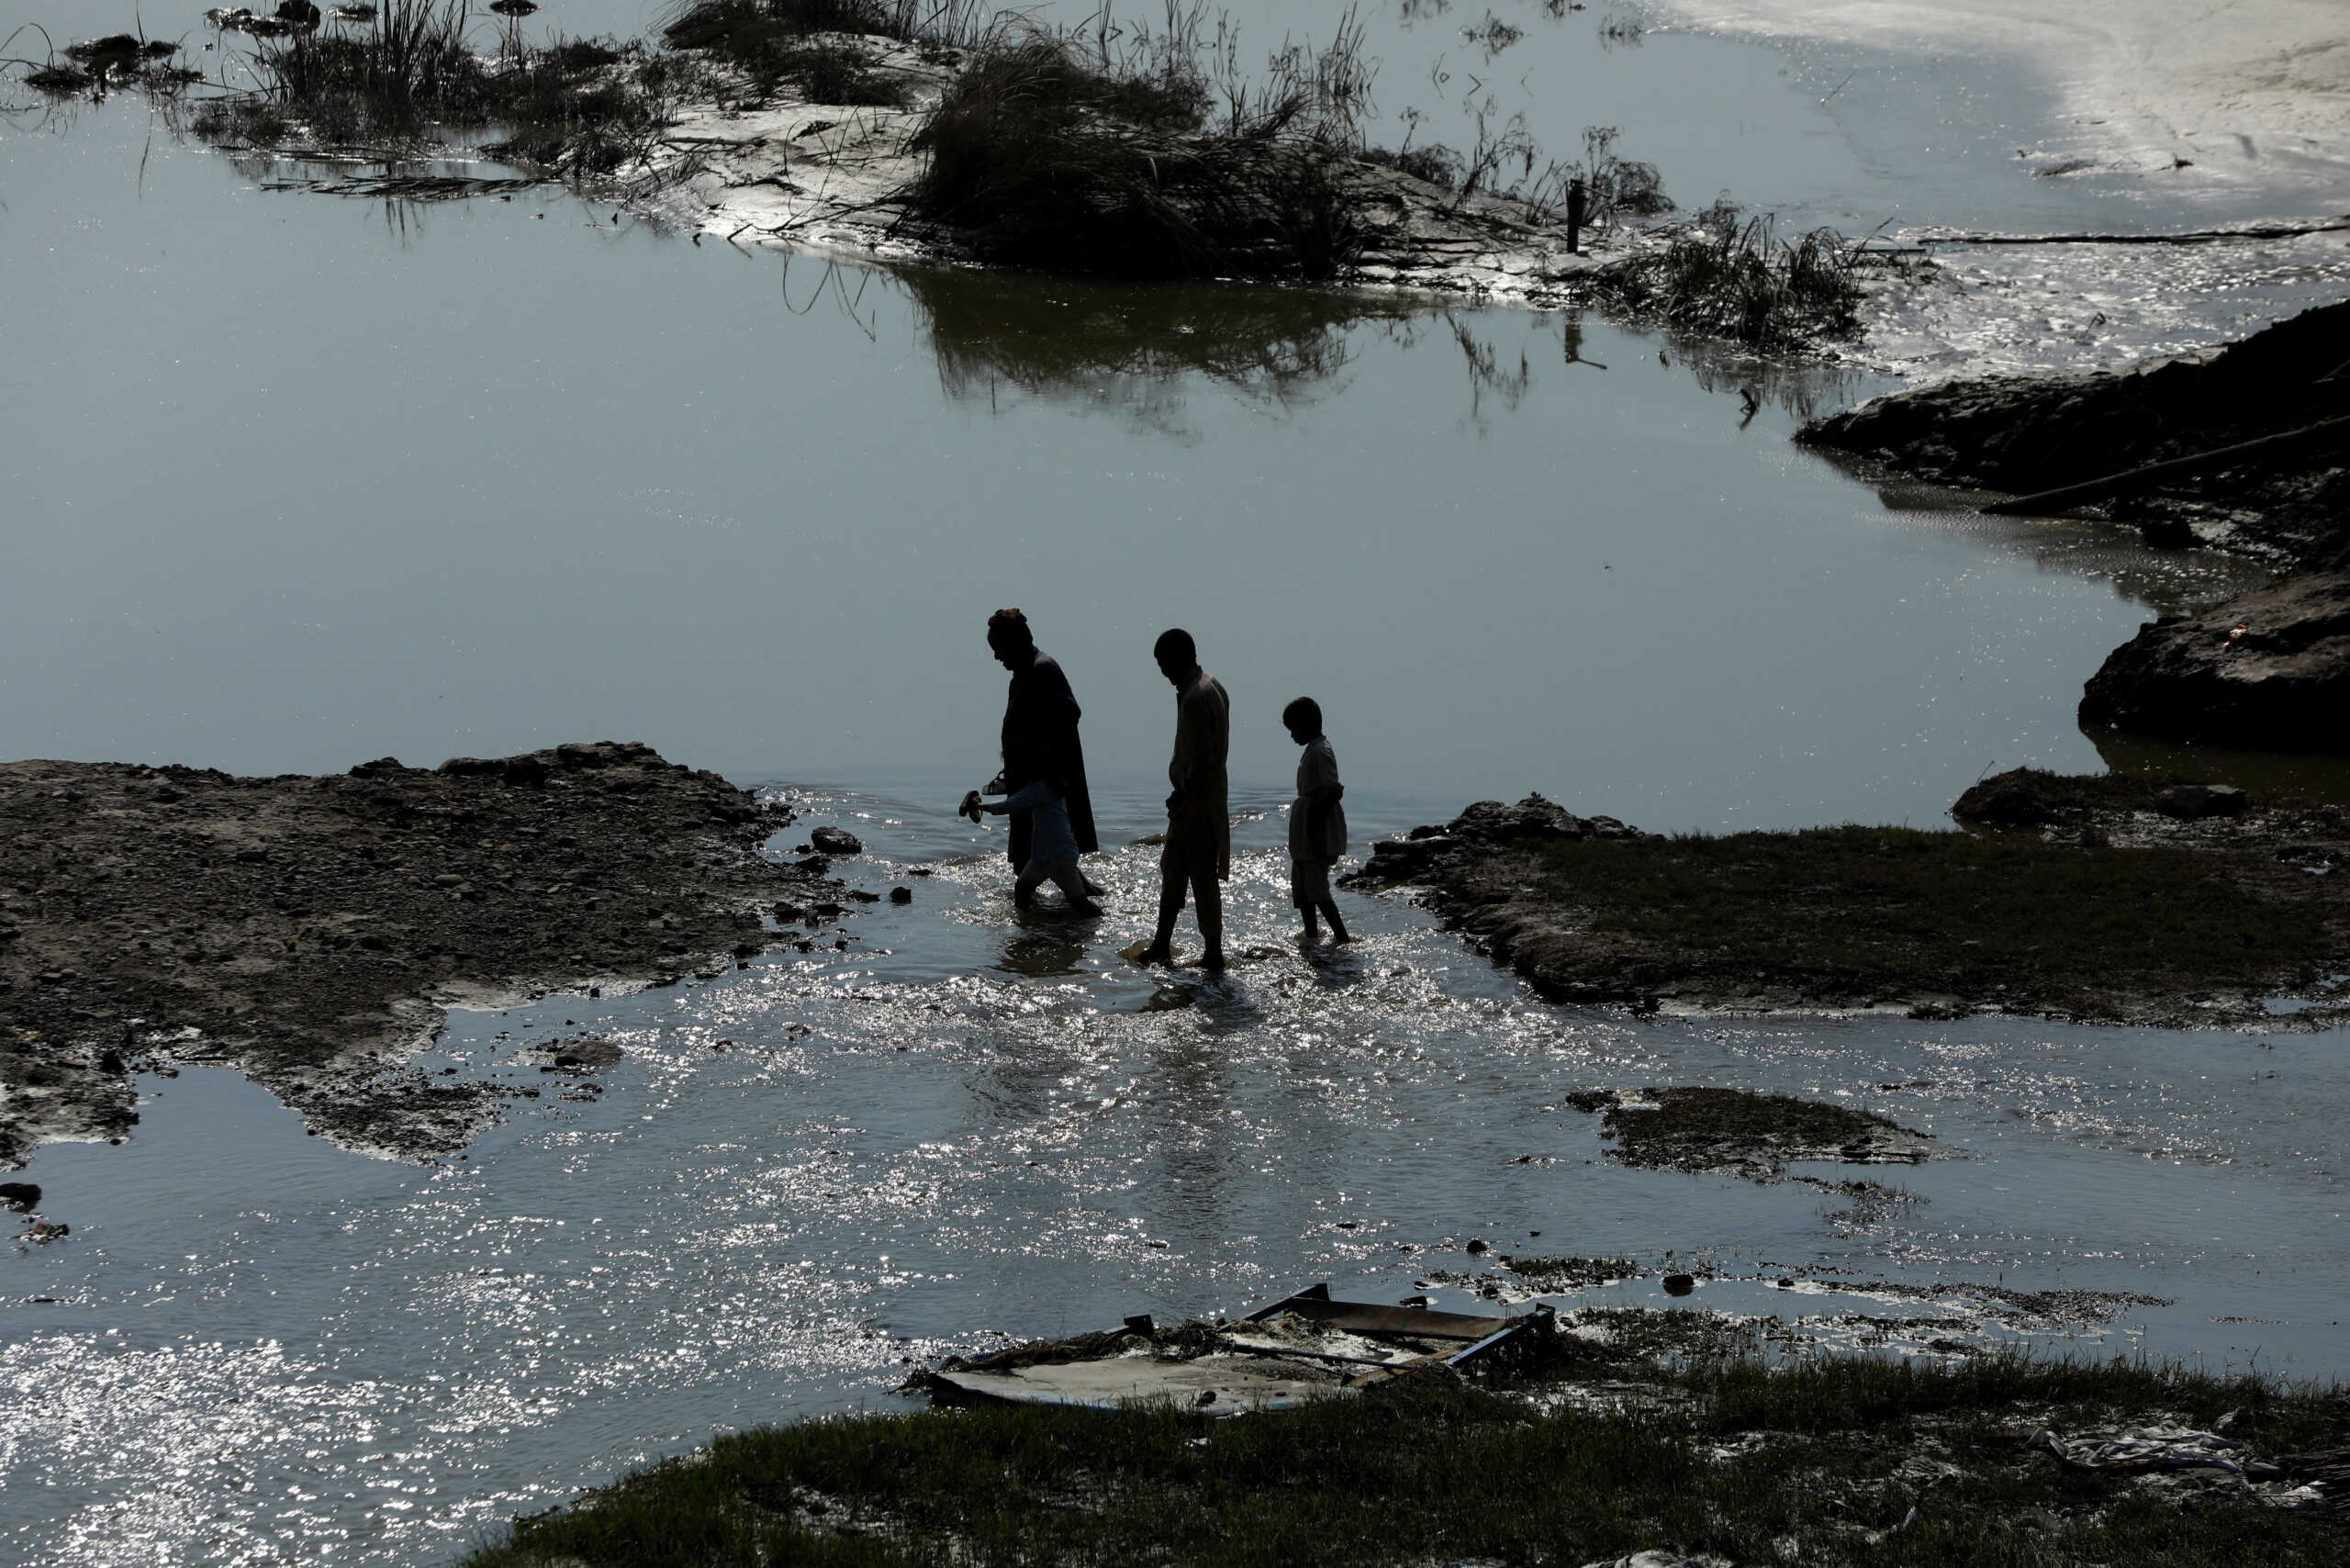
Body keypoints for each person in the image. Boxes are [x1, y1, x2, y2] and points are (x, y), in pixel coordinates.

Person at [1136, 628, 1230, 973]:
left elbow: (1202, 761)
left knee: (1201, 879)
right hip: (1206, 797)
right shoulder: (1212, 685)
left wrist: (1182, 796)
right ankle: (1163, 945)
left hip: (1196, 803)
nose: (1162, 671)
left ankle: (1213, 954)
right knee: (1173, 871)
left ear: (1178, 659)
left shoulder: (1194, 698)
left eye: (1163, 663)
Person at [984, 609, 1099, 880]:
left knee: (1033, 861)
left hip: (1045, 785)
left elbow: (1070, 714)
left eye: (998, 647)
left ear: (1014, 642)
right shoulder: (1023, 675)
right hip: (1028, 782)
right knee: (1052, 859)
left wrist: (1043, 757)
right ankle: (1061, 918)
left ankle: (1037, 920)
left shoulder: (1041, 669)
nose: (996, 656)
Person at [961, 779, 1101, 915]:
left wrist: (978, 806)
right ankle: (1028, 924)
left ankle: (1102, 921)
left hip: (1054, 856)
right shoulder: (1054, 785)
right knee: (1022, 889)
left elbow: (1008, 806)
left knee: (1080, 903)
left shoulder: (1039, 788)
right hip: (1048, 855)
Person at [1282, 697, 1350, 944]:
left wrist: (1314, 830)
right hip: (1305, 830)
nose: (1292, 736)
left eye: (1294, 729)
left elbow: (1331, 790)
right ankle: (1311, 936)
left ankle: (1341, 936)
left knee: (1317, 888)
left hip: (1315, 831)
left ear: (1308, 724)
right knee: (1302, 889)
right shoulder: (1312, 750)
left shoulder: (1321, 752)